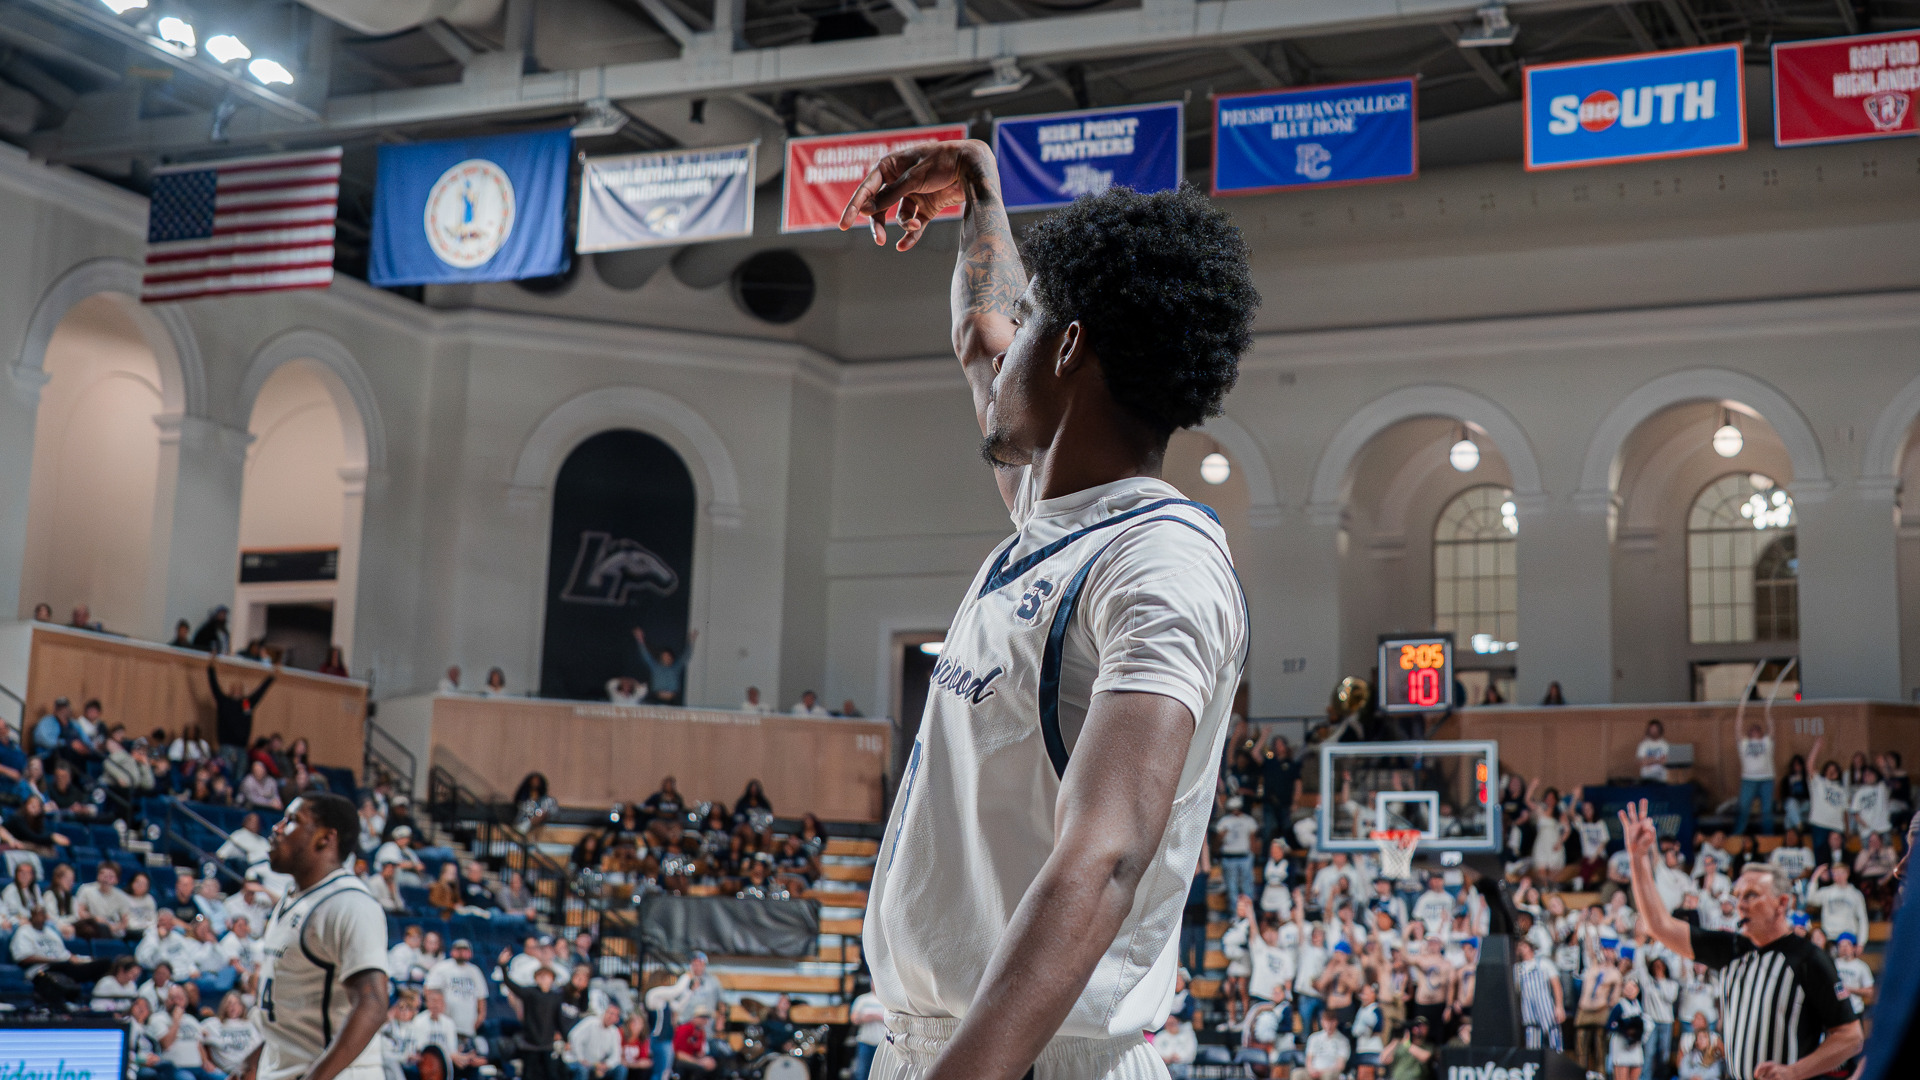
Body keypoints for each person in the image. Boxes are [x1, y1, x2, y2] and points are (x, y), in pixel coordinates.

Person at [844, 146, 1252, 1080]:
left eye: (1032, 325)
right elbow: (981, 333)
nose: (1002, 342)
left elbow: (1106, 856)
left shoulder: (1161, 563)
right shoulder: (1050, 521)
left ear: (1067, 347)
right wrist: (980, 184)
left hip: (1032, 1060)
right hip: (942, 1046)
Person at [1619, 799, 1862, 1080]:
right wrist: (1638, 858)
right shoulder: (1730, 949)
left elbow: (1850, 1037)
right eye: (1737, 897)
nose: (1740, 905)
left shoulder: (1808, 959)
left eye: (1751, 896)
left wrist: (1794, 1072)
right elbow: (1658, 925)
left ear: (1781, 903)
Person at [243, 793, 392, 1080]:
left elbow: (373, 1003)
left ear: (325, 838)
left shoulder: (350, 903)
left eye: (292, 821)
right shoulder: (292, 898)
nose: (277, 828)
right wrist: (253, 1061)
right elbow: (296, 1018)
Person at [505, 961, 567, 1080]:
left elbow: (558, 1019)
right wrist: (503, 967)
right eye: (541, 976)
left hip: (547, 1044)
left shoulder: (555, 997)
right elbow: (512, 985)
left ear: (552, 979)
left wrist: (565, 1038)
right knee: (529, 1074)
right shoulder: (530, 993)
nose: (544, 979)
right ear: (536, 979)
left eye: (547, 976)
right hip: (530, 1044)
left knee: (551, 1074)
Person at [208, 657, 276, 751]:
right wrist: (211, 668)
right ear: (230, 690)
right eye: (235, 689)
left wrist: (271, 678)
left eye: (239, 689)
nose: (237, 691)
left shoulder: (246, 704)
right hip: (226, 745)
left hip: (242, 747)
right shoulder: (224, 701)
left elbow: (259, 693)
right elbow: (214, 686)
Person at [1514, 937, 1564, 1051]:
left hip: (1545, 1008)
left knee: (1553, 1040)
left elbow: (1556, 985)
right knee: (1532, 1044)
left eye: (1524, 946)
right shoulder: (1517, 968)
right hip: (1529, 1010)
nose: (1521, 949)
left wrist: (1559, 1006)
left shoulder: (1544, 963)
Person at [1733, 719, 1777, 836]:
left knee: (1767, 811)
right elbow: (1737, 729)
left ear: (1761, 733)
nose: (1755, 732)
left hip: (1766, 780)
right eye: (1752, 731)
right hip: (1748, 780)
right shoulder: (1744, 743)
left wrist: (1768, 713)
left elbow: (1772, 729)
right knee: (1743, 808)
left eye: (1757, 730)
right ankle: (1738, 834)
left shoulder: (1766, 742)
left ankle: (1768, 837)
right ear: (1749, 733)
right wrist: (1741, 708)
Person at [630, 628, 696, 705]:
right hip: (656, 699)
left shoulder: (676, 668)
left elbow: (686, 657)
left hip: (672, 701)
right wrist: (640, 640)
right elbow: (646, 656)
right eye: (664, 657)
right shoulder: (655, 667)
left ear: (672, 658)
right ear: (661, 658)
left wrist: (691, 642)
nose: (666, 659)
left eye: (668, 657)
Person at [1215, 797, 1259, 909]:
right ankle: (1235, 914)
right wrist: (1223, 834)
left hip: (1244, 857)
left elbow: (1252, 839)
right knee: (1231, 888)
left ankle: (1249, 914)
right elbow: (1218, 840)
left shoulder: (1248, 820)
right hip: (1229, 857)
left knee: (1247, 887)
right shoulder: (1225, 821)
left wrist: (1255, 856)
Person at [571, 1003, 628, 1080]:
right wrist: (581, 1058)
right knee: (582, 1069)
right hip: (581, 1061)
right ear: (604, 1013)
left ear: (617, 1019)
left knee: (621, 1069)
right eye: (610, 1013)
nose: (611, 1017)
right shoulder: (591, 1022)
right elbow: (574, 1037)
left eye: (615, 1015)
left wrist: (606, 1065)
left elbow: (616, 1055)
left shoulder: (614, 1032)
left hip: (599, 1065)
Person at [1608, 977, 1647, 1080]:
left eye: (1633, 987)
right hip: (1622, 1045)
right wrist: (1625, 1029)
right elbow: (1610, 1025)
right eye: (1627, 987)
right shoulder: (1620, 1005)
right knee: (1622, 1072)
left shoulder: (1638, 1005)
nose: (1630, 989)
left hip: (1635, 1044)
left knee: (1636, 1069)